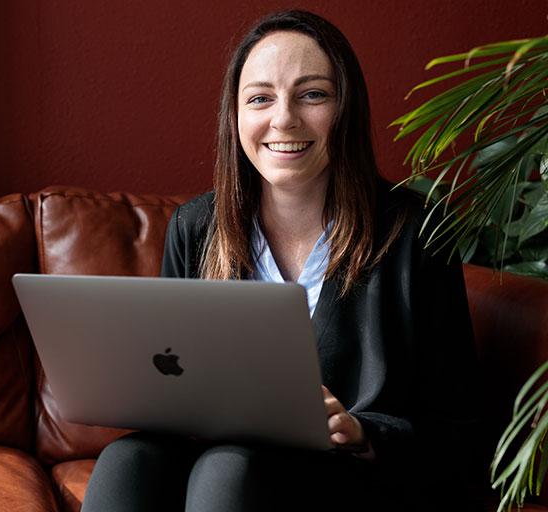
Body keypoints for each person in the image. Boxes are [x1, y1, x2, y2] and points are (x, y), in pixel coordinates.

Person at [81, 10, 483, 512]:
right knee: (128, 460)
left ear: (347, 108)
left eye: (312, 95)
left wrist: (362, 433)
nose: (284, 119)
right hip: (221, 466)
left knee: (229, 468)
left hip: (355, 480)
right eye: (260, 99)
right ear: (235, 116)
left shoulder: (415, 231)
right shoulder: (196, 227)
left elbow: (459, 429)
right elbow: (172, 388)